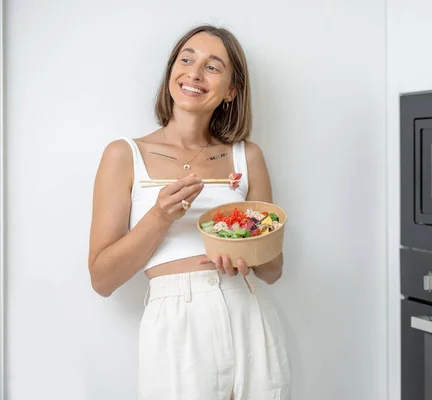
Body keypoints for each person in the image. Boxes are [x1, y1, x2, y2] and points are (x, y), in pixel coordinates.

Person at [87, 25, 291, 400]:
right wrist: (159, 217)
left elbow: (274, 270)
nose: (195, 73)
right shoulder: (123, 155)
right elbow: (102, 280)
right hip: (176, 323)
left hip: (249, 314)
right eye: (186, 60)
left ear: (231, 90)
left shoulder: (249, 157)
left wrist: (247, 256)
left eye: (213, 67)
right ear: (171, 73)